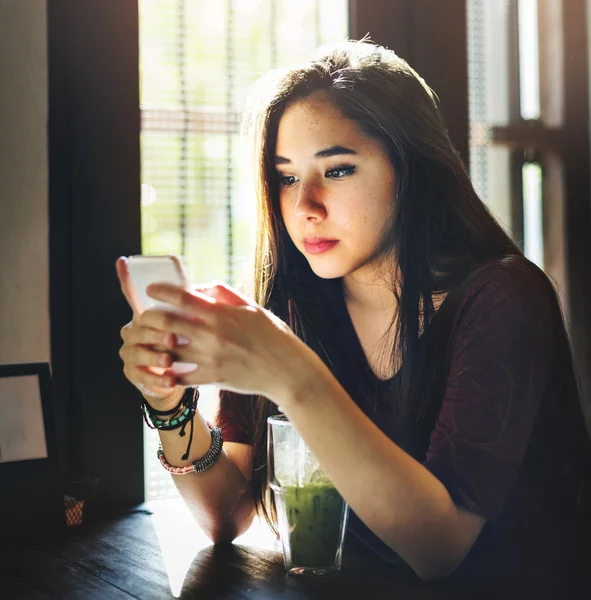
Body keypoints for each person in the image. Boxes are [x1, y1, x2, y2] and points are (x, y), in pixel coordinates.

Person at [116, 40, 591, 583]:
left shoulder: (503, 298)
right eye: (287, 176)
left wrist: (291, 373)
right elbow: (226, 515)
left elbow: (439, 548)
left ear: (411, 169)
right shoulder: (291, 303)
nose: (304, 206)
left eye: (337, 170)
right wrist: (170, 401)